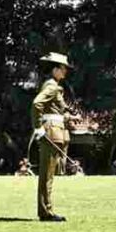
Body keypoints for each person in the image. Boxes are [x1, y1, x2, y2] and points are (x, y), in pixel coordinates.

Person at [31, 52, 79, 222]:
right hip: (51, 132)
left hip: (55, 131)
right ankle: (46, 211)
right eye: (63, 68)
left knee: (49, 174)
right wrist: (38, 127)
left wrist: (68, 117)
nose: (65, 71)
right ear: (55, 69)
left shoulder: (53, 86)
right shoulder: (52, 86)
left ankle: (46, 209)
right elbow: (37, 104)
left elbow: (53, 110)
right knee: (47, 175)